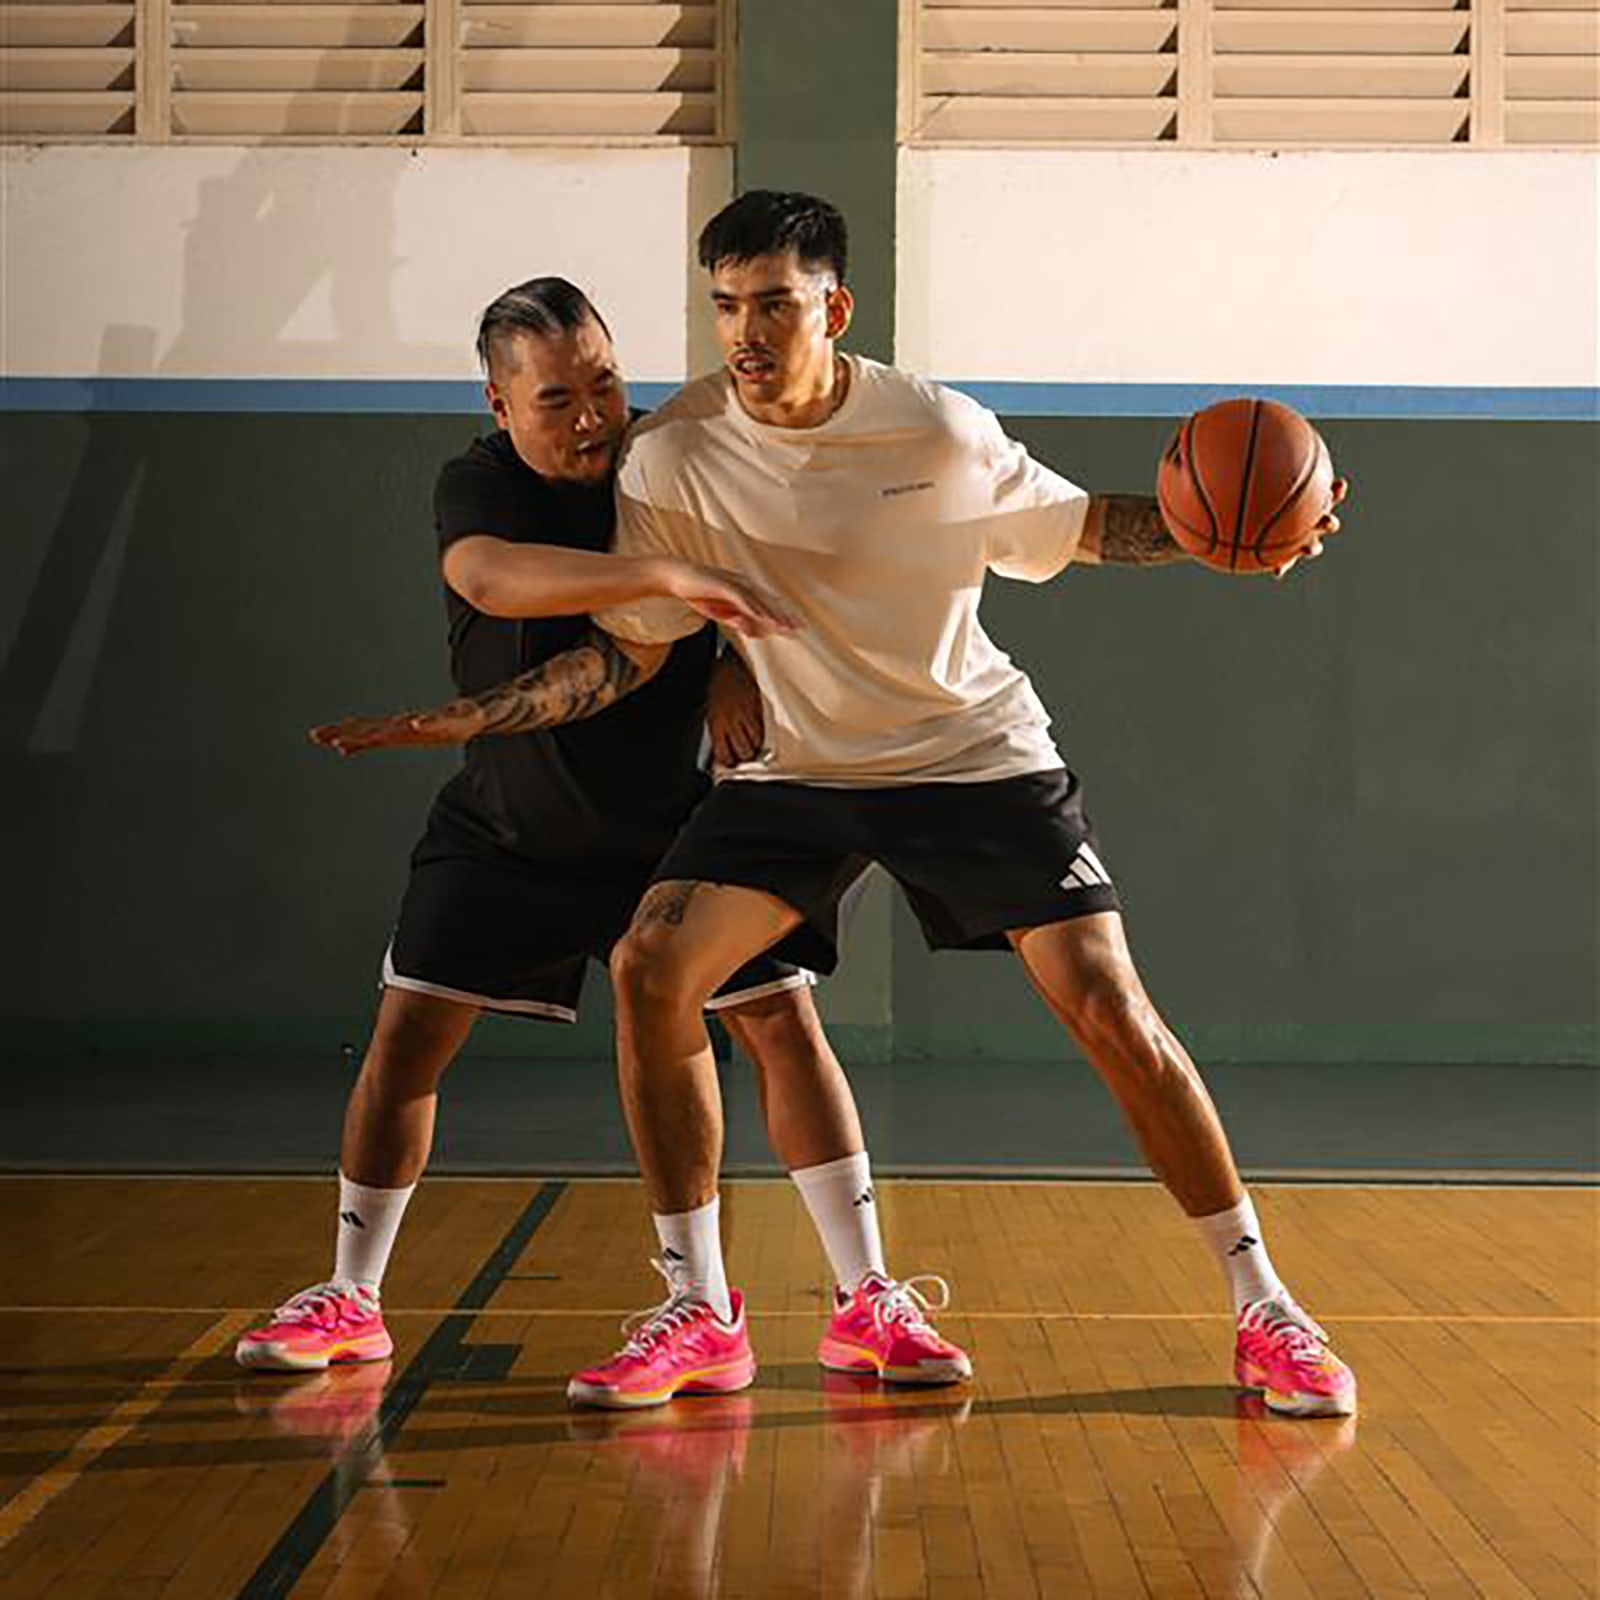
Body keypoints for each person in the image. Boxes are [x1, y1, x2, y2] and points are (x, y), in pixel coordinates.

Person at [314, 195, 1355, 1421]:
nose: (744, 333)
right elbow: (629, 655)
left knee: (1105, 1001)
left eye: (772, 304)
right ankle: (700, 1306)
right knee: (655, 966)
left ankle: (1263, 1304)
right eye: (724, 307)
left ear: (833, 309)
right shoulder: (676, 454)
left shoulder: (936, 430)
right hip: (799, 778)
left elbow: (1085, 528)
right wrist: (471, 717)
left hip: (969, 755)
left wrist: (1226, 539)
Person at [239, 275, 972, 1394]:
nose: (590, 416)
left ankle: (862, 1297)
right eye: (555, 399)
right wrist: (671, 578)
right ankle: (352, 1293)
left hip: (674, 831)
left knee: (782, 1029)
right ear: (498, 404)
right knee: (403, 1045)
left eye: (604, 384)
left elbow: (770, 579)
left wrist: (730, 652)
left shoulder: (667, 465)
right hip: (505, 823)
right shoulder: (476, 486)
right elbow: (492, 578)